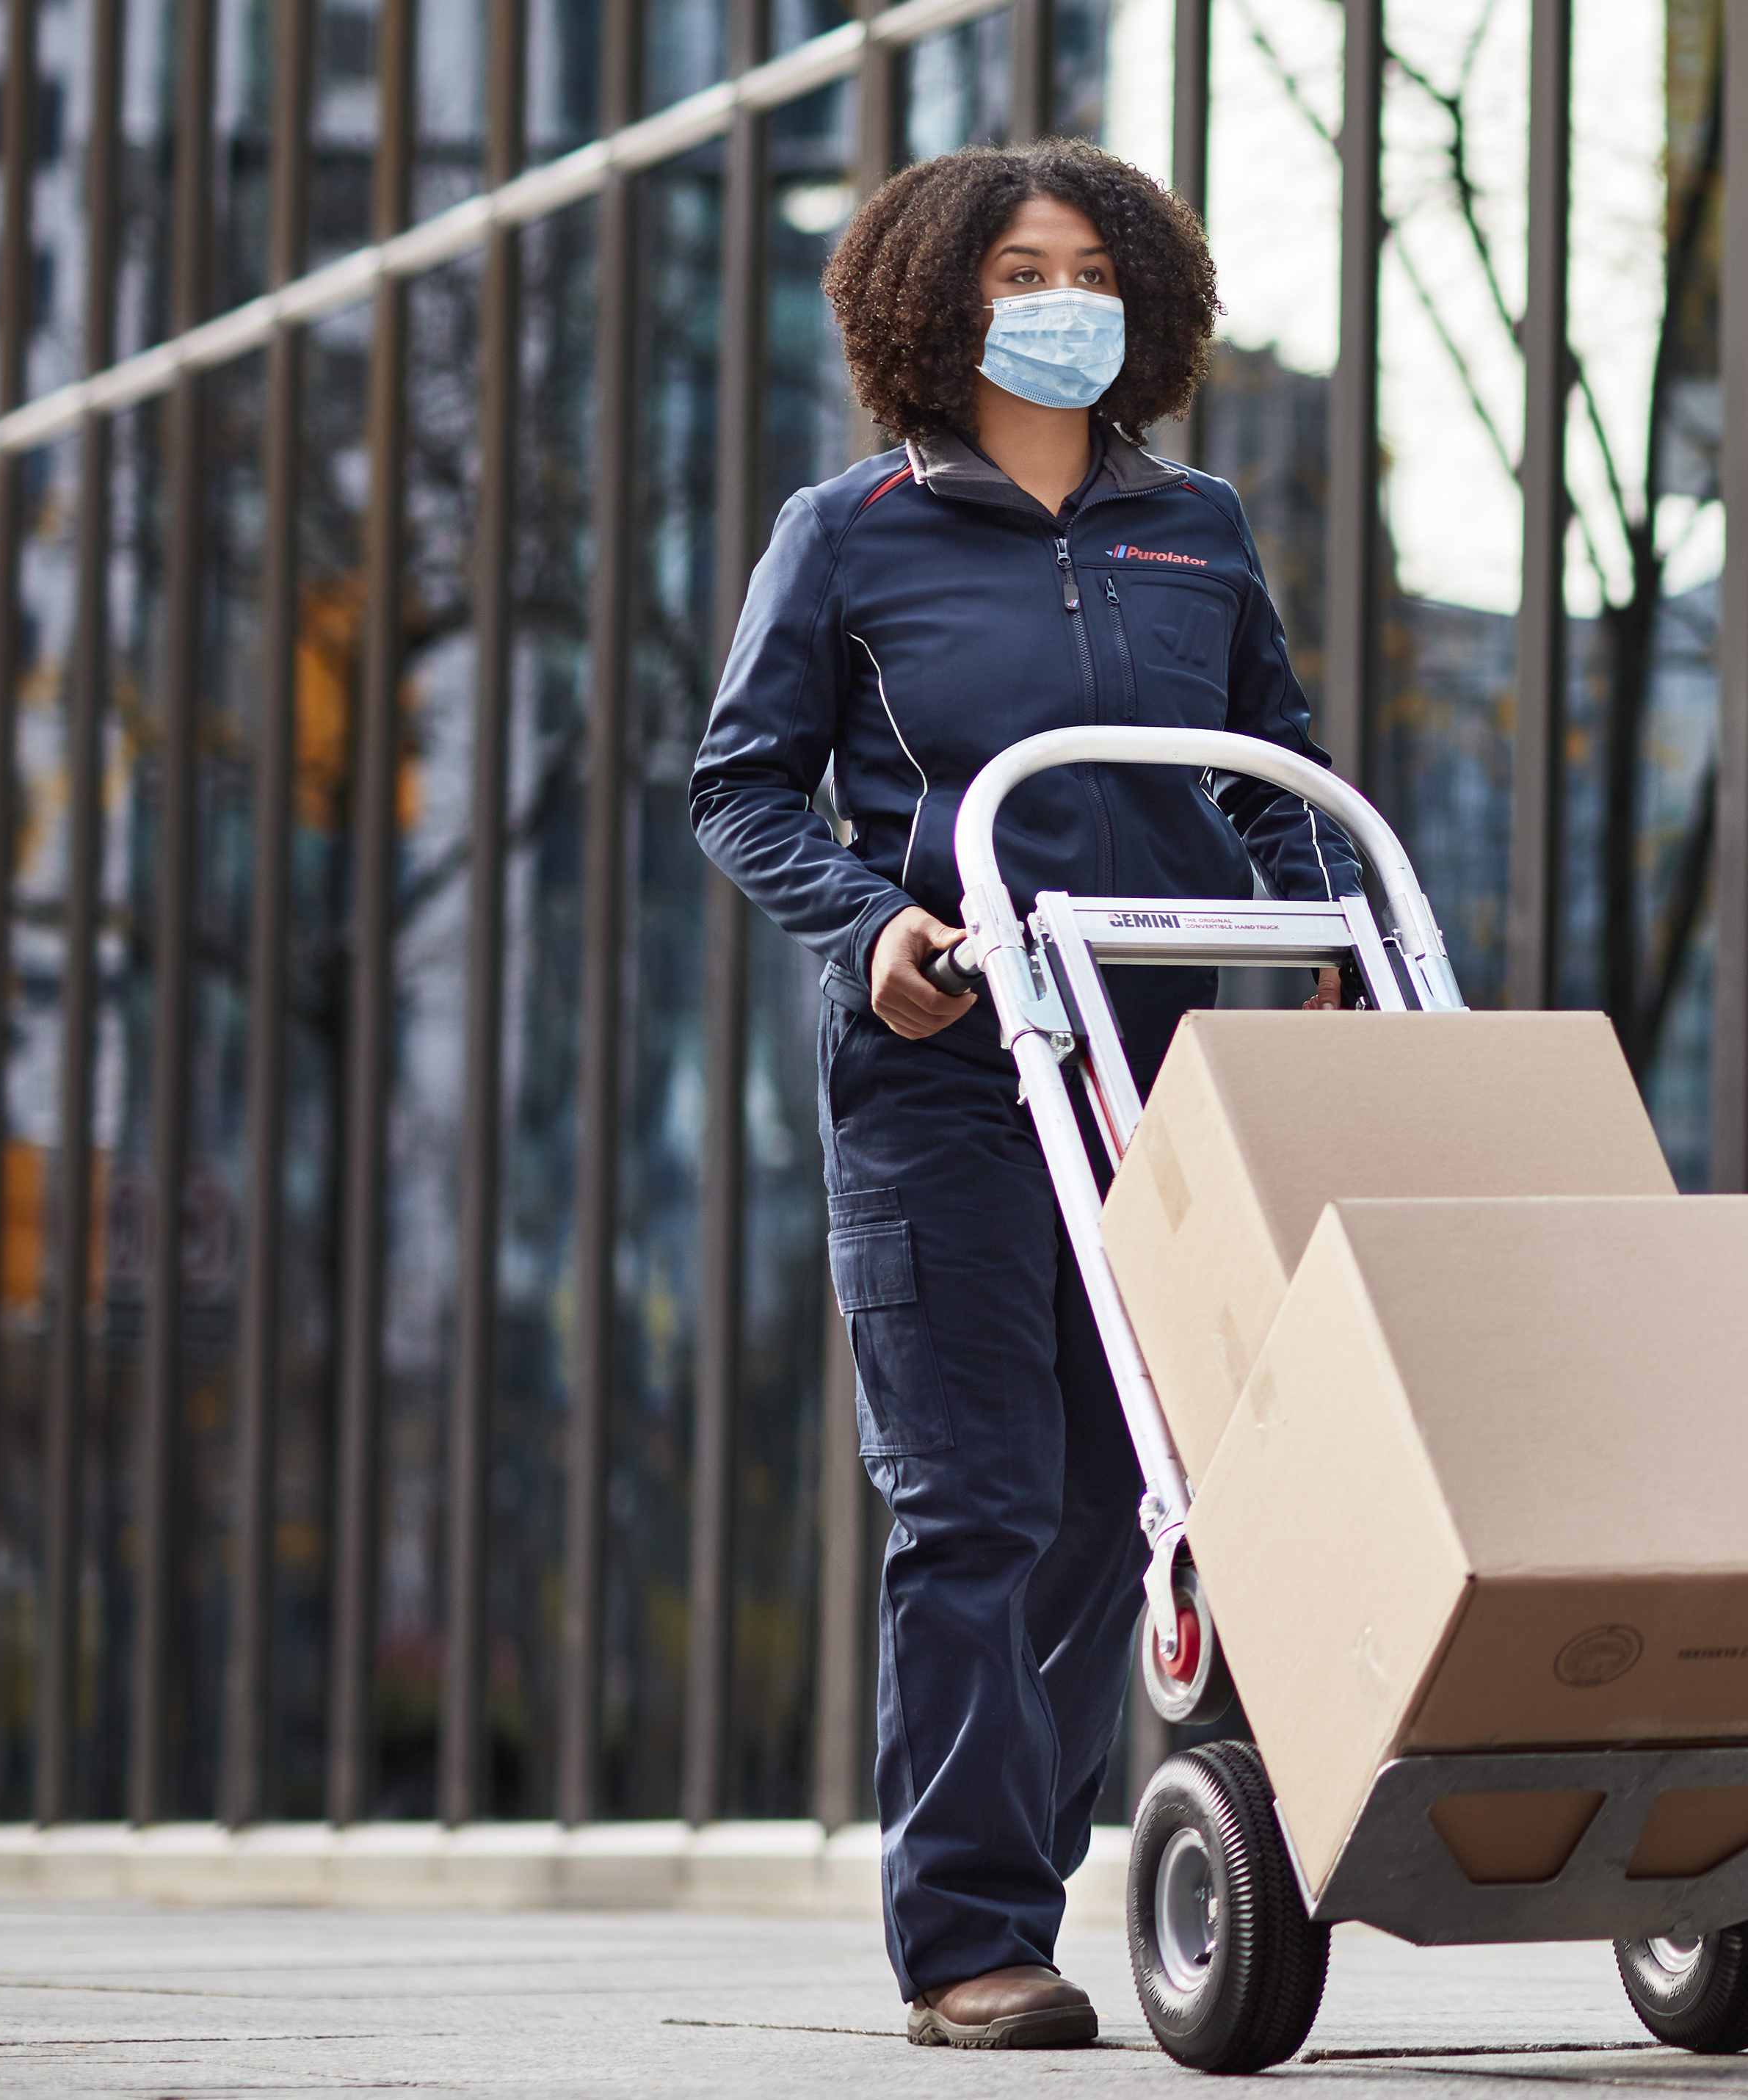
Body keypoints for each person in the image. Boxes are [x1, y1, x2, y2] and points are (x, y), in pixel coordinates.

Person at [688, 137, 1354, 2049]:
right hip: (947, 1063)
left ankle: (1031, 1869)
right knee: (974, 1498)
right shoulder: (849, 531)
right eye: (1013, 271)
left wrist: (1318, 914)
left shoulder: (1197, 527)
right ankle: (968, 1938)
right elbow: (742, 783)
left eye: (1086, 265)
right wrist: (866, 922)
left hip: (1153, 1068)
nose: (1056, 297)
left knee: (1106, 1500)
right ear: (934, 303)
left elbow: (1260, 760)